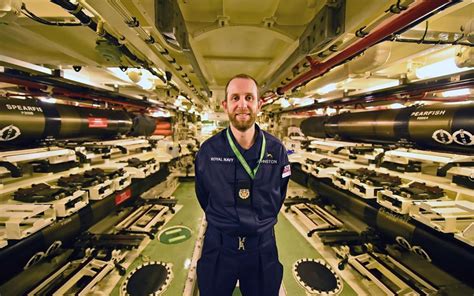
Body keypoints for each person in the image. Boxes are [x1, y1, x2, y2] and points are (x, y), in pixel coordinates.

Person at [194, 74, 291, 296]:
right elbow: (203, 195)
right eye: (235, 97)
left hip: (262, 246)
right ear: (225, 104)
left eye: (249, 97)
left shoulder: (276, 151)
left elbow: (280, 194)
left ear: (259, 104)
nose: (242, 104)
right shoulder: (209, 152)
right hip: (219, 245)